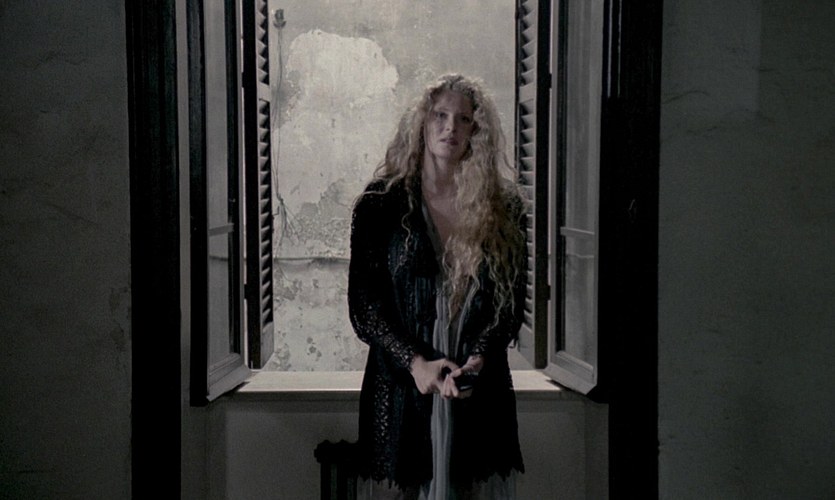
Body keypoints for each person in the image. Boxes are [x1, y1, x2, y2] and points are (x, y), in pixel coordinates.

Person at [348, 73, 526, 499]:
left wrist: (478, 361)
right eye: (440, 116)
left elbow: (510, 305)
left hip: (478, 394)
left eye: (464, 119)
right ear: (422, 123)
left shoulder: (505, 208)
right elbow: (365, 307)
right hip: (400, 392)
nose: (451, 128)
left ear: (476, 131)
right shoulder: (380, 204)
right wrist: (416, 364)